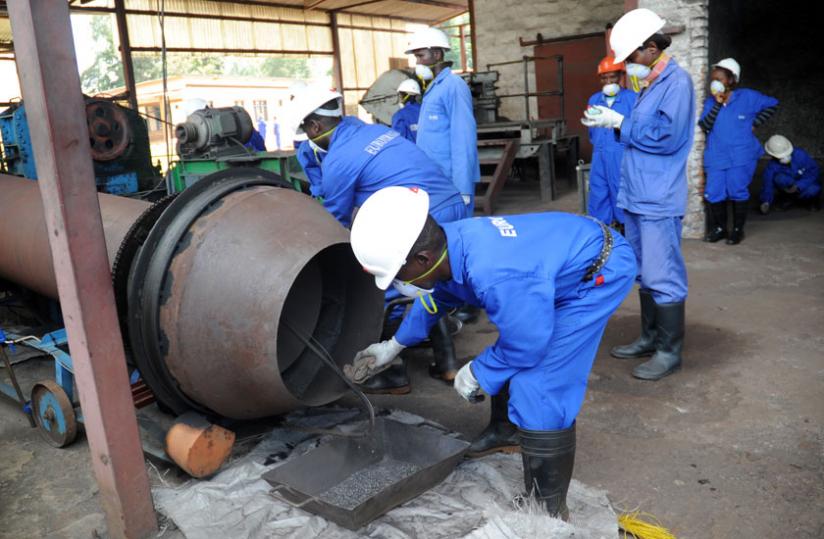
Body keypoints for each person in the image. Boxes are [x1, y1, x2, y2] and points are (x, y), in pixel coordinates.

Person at [346, 186, 636, 519]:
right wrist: (394, 345)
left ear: (423, 259)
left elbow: (528, 343)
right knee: (512, 348)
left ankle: (547, 510)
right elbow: (437, 299)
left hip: (597, 271)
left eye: (397, 274)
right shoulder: (448, 244)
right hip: (557, 254)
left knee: (539, 385)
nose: (397, 282)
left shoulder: (496, 273)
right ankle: (507, 430)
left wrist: (479, 371)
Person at [293, 87, 468, 392]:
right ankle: (448, 364)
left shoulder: (339, 158)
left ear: (315, 127)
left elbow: (336, 220)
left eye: (307, 132)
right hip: (448, 202)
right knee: (431, 284)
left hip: (423, 215)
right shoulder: (373, 131)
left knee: (382, 286)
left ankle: (393, 372)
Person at [582, 8, 694, 381]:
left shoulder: (676, 84)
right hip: (636, 194)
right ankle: (649, 336)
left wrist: (621, 123)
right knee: (645, 272)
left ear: (650, 49)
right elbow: (638, 134)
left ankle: (669, 350)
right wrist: (612, 126)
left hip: (658, 196)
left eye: (631, 58)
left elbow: (667, 137)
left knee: (663, 273)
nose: (628, 66)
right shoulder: (647, 85)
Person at [699, 58, 778, 244]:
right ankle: (719, 229)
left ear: (731, 80)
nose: (715, 82)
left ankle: (737, 230)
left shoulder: (748, 97)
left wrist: (756, 123)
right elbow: (705, 124)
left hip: (741, 155)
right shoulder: (711, 103)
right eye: (713, 78)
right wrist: (718, 104)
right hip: (717, 155)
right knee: (714, 191)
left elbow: (773, 103)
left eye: (720, 78)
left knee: (737, 190)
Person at [406, 27, 480, 214]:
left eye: (421, 56)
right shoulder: (435, 88)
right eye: (416, 57)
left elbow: (463, 138)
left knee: (457, 233)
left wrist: (463, 188)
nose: (418, 62)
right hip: (436, 179)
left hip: (451, 182)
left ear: (437, 54)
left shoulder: (453, 86)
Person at [586, 56, 637, 230]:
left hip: (621, 155)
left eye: (612, 77)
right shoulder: (593, 100)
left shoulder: (632, 99)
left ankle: (625, 233)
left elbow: (635, 130)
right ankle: (603, 235)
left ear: (620, 76)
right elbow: (592, 131)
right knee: (598, 193)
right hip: (599, 155)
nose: (608, 81)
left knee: (621, 193)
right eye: (604, 78)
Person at [759, 135, 821, 213]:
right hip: (789, 187)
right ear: (773, 155)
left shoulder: (800, 155)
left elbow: (814, 172)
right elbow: (767, 184)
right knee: (779, 178)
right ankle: (789, 198)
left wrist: (799, 185)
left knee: (813, 189)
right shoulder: (772, 165)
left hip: (805, 184)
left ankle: (812, 202)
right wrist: (766, 201)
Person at [391, 78, 422, 143]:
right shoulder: (425, 110)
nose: (400, 96)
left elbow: (398, 141)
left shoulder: (400, 115)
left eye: (401, 94)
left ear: (406, 95)